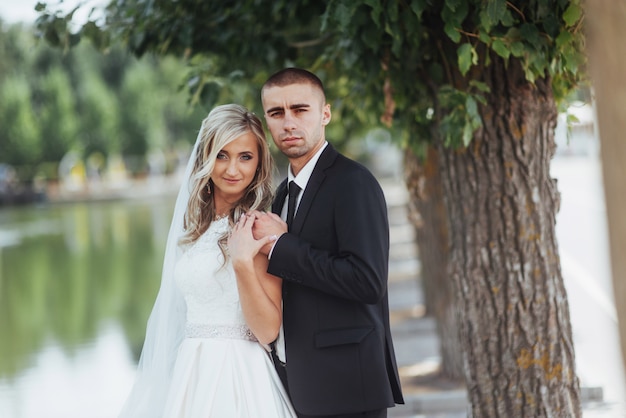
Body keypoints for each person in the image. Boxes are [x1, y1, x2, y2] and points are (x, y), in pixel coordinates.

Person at [118, 104, 296, 418]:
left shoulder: (256, 228)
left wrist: (242, 264)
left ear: (258, 164)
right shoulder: (195, 227)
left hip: (237, 373)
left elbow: (269, 330)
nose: (232, 169)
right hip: (191, 368)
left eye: (245, 157)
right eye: (222, 155)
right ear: (205, 157)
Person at [252, 68, 405, 418]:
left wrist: (281, 247)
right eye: (276, 113)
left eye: (299, 109)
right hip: (298, 386)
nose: (288, 122)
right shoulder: (281, 196)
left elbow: (367, 282)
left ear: (325, 114)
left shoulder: (353, 182)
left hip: (346, 387)